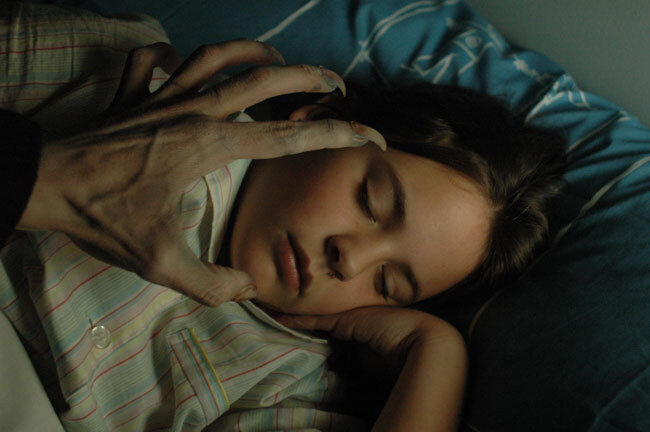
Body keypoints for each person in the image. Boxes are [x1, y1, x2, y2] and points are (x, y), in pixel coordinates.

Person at [1, 39, 566, 431]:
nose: (350, 260)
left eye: (388, 283)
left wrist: (436, 354)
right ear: (319, 122)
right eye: (371, 201)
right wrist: (48, 174)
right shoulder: (149, 88)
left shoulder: (286, 379)